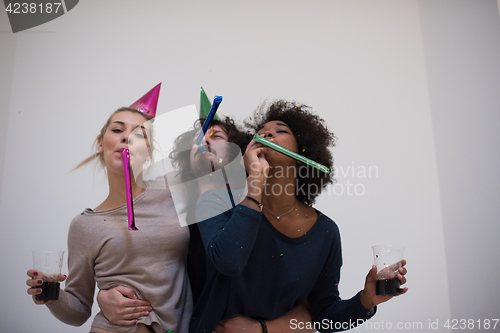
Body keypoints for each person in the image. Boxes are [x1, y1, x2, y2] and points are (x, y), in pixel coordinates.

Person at [190, 100, 408, 332]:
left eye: (280, 131)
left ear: (302, 152)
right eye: (260, 133)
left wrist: (366, 300)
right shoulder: (216, 201)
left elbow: (323, 316)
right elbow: (229, 261)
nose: (266, 134)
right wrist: (254, 184)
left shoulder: (326, 232)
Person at [97, 116, 317, 332]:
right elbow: (141, 266)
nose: (203, 141)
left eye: (216, 135)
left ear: (239, 153)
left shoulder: (257, 208)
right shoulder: (175, 219)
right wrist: (104, 294)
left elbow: (312, 309)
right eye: (196, 140)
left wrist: (263, 328)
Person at [25, 105, 193, 333]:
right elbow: (79, 310)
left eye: (139, 134)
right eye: (117, 130)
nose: (126, 137)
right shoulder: (84, 224)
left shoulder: (175, 188)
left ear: (150, 151)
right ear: (101, 143)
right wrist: (52, 294)